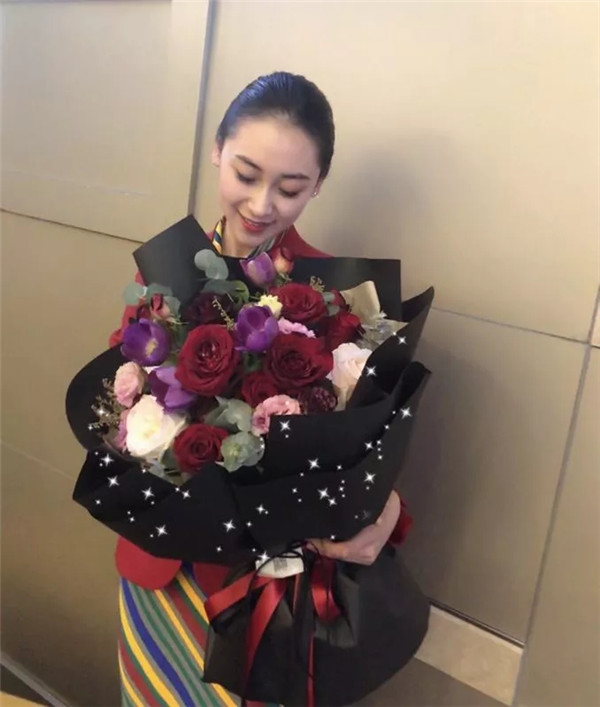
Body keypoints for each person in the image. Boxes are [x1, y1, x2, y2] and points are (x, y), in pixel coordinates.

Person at [113, 72, 410, 707]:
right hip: (157, 571)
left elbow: (360, 440)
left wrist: (383, 508)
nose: (261, 204)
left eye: (291, 188)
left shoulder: (335, 295)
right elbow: (120, 406)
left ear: (318, 184)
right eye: (246, 174)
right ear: (217, 149)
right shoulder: (161, 271)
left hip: (254, 590)